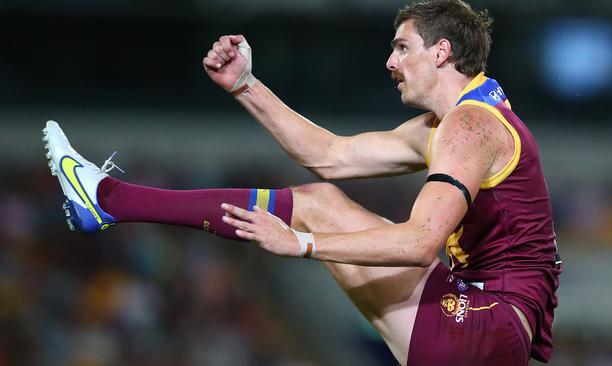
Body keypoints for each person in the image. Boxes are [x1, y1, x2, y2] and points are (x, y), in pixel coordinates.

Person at [43, 0, 561, 364]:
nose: (390, 62)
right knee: (323, 195)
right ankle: (107, 200)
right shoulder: (457, 122)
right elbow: (330, 155)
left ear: (442, 51)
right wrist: (246, 86)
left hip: (485, 323)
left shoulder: (468, 127)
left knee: (318, 208)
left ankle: (108, 199)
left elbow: (422, 242)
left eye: (402, 48)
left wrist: (303, 244)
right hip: (487, 324)